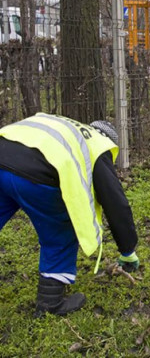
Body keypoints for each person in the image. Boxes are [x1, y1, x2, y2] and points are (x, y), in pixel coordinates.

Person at [0, 113, 139, 316]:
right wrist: (128, 250)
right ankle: (51, 303)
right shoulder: (98, 145)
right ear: (110, 141)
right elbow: (115, 201)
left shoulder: (67, 128)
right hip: (36, 177)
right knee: (61, 232)